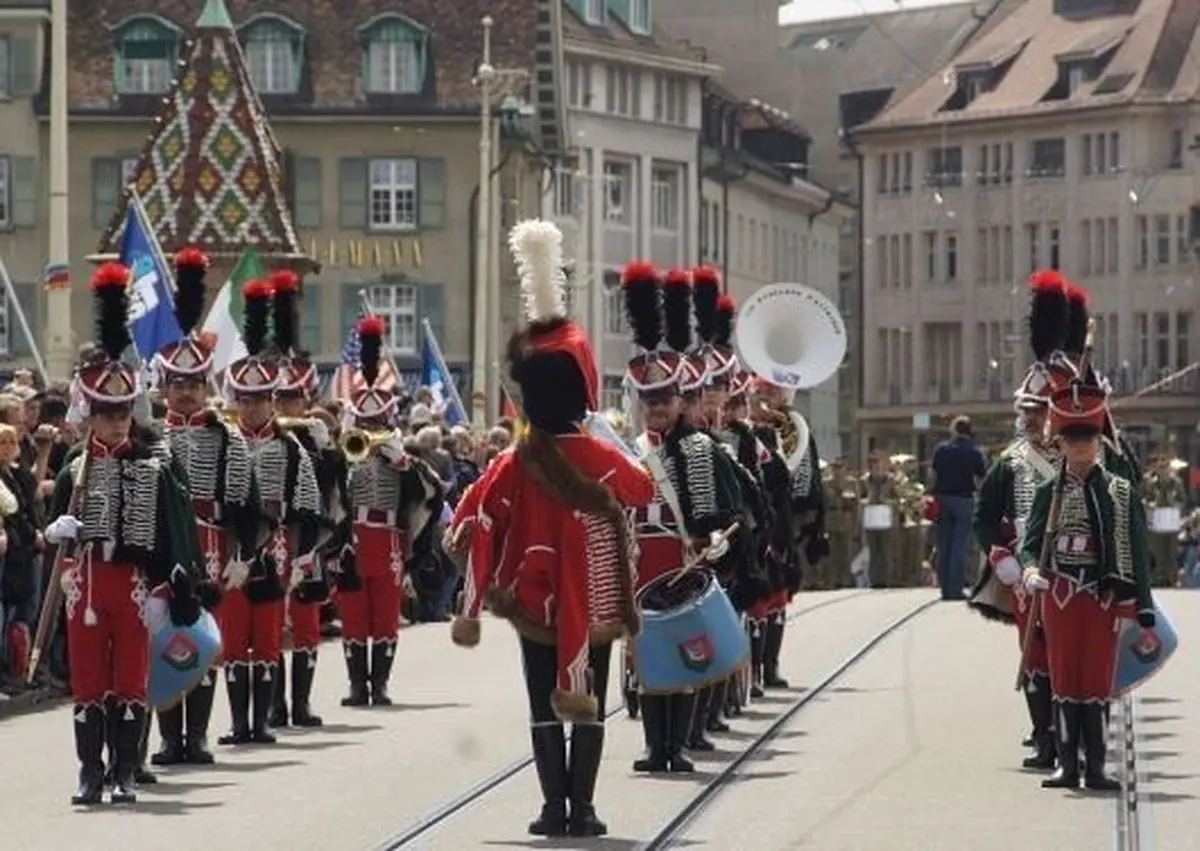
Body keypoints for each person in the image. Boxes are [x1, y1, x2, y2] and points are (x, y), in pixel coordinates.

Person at [451, 220, 653, 838]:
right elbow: (643, 491)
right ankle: (585, 808)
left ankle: (552, 808)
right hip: (594, 594)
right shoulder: (599, 455)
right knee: (588, 696)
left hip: (532, 594)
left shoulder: (513, 460)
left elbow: (472, 513)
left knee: (542, 699)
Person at [45, 263, 204, 805]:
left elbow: (173, 534)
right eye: (107, 414)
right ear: (90, 415)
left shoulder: (153, 467)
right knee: (89, 681)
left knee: (130, 678)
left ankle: (126, 770)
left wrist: (170, 587)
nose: (116, 424)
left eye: (122, 414)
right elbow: (59, 534)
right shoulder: (73, 465)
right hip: (85, 584)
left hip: (133, 585)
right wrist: (58, 532)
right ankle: (90, 772)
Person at [621, 262, 741, 774]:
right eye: (648, 402)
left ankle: (679, 744)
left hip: (685, 557)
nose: (655, 411)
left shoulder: (699, 449)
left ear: (678, 401)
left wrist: (716, 536)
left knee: (688, 653)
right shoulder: (628, 453)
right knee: (649, 659)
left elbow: (724, 505)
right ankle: (655, 747)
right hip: (642, 563)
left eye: (663, 401)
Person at [1019, 377, 1157, 791]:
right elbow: (1030, 544)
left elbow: (1135, 547)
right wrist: (1029, 571)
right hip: (1060, 593)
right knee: (1064, 677)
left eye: (1089, 440)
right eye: (1073, 441)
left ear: (1099, 442)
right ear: (1060, 444)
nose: (1082, 448)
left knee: (1095, 678)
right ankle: (1066, 763)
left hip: (1102, 594)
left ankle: (1095, 764)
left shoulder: (1120, 490)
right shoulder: (1048, 490)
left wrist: (1143, 607)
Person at [153, 247, 259, 765]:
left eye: (195, 385)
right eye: (180, 385)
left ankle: (196, 737)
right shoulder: (149, 437)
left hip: (212, 541)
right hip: (160, 544)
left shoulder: (226, 435)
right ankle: (169, 738)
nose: (188, 394)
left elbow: (244, 500)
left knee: (204, 640)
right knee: (165, 639)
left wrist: (244, 553)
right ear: (166, 388)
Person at [970, 270, 1068, 771]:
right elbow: (985, 518)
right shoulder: (1009, 461)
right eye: (1028, 411)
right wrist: (1001, 557)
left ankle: (1071, 736)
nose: (1032, 420)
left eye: (1040, 411)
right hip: (1027, 573)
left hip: (1075, 572)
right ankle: (1044, 734)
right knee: (1034, 656)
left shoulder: (1081, 458)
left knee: (1073, 657)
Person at [221, 279, 324, 746]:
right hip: (231, 547)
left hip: (276, 544)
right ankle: (236, 722)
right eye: (245, 399)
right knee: (232, 633)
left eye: (261, 399)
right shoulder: (222, 442)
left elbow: (305, 506)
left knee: (265, 635)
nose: (254, 407)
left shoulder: (291, 446)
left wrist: (302, 558)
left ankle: (261, 720)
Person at [337, 314, 443, 707]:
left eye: (376, 419)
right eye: (365, 420)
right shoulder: (345, 451)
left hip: (390, 541)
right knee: (352, 612)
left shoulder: (404, 456)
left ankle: (378, 683)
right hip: (354, 538)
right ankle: (355, 684)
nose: (370, 426)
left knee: (384, 614)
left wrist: (401, 463)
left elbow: (429, 494)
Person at [268, 270, 335, 729]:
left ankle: (302, 701)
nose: (289, 406)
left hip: (305, 533)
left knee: (307, 622)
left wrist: (324, 449)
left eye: (294, 398)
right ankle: (273, 703)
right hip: (270, 532)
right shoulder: (262, 434)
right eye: (282, 398)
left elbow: (333, 491)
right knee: (273, 622)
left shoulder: (313, 435)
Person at [929, 415, 987, 600]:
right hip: (964, 500)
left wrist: (932, 494)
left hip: (942, 499)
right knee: (960, 545)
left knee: (943, 545)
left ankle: (945, 588)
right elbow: (982, 477)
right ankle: (955, 588)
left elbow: (932, 475)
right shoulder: (974, 451)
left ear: (954, 430)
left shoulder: (941, 449)